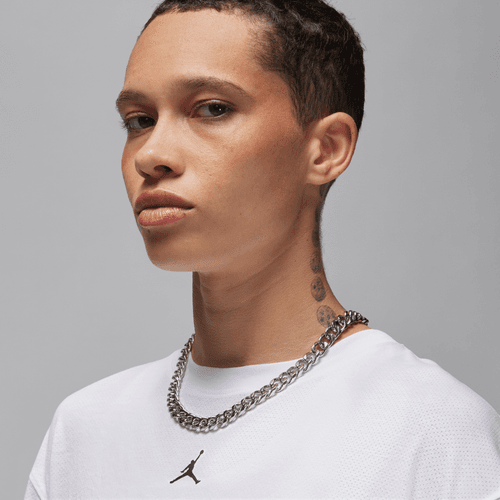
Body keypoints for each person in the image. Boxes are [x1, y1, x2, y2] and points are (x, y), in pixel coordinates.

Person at [25, 1, 500, 498]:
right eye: (140, 120)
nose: (151, 154)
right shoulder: (83, 432)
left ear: (326, 148)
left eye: (212, 109)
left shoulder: (432, 432)